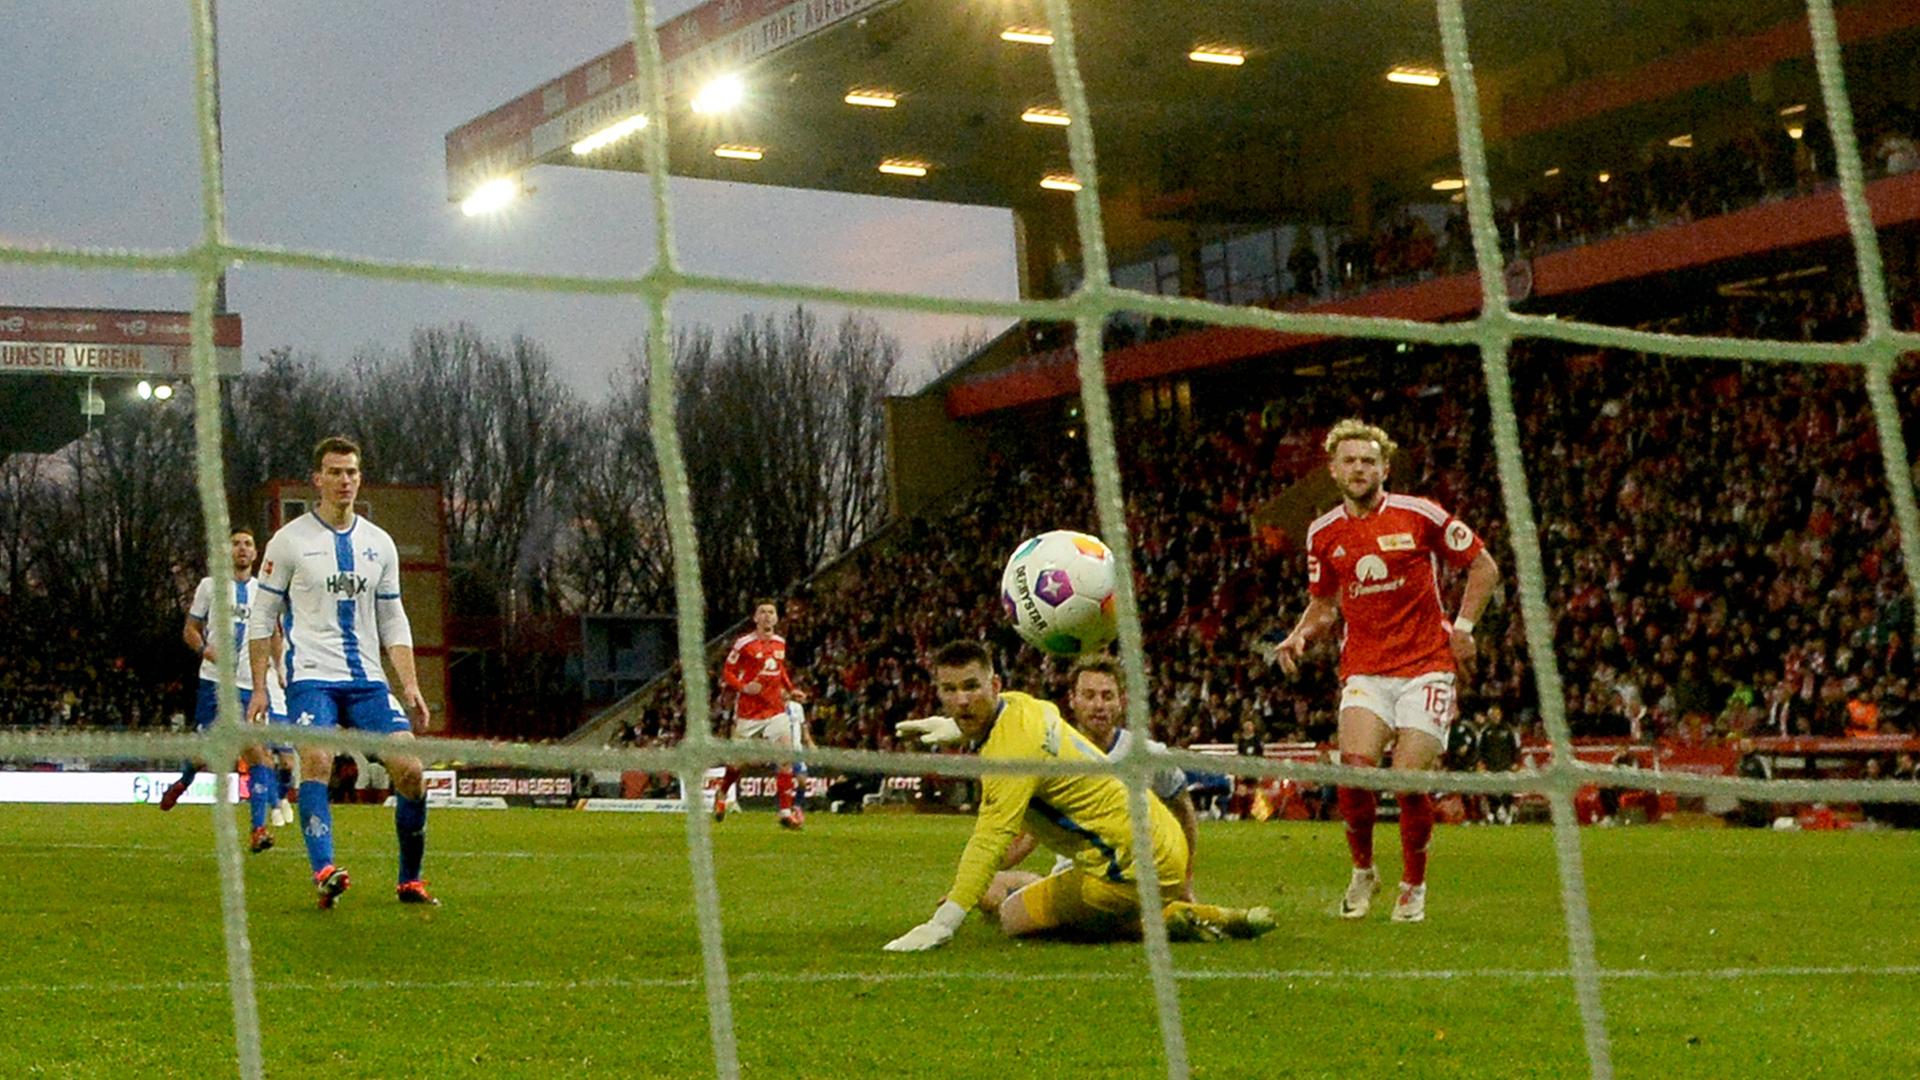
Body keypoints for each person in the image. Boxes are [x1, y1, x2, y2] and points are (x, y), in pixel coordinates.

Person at [882, 641, 1273, 951]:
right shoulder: (1024, 706)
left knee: (1013, 917)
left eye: (971, 687)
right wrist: (955, 728)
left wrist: (943, 922)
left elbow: (989, 839)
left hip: (1124, 867)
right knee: (1029, 891)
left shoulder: (1011, 756)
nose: (962, 701)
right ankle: (1183, 913)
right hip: (1159, 844)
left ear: (995, 686)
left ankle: (1177, 919)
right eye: (950, 690)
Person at [1273, 419, 1499, 924]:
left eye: (1368, 461)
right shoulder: (1323, 532)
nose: (1359, 469)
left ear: (1385, 468)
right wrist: (1300, 634)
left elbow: (1484, 566)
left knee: (1408, 781)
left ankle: (1413, 884)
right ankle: (1363, 871)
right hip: (1365, 669)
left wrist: (1463, 627)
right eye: (1350, 461)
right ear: (1333, 470)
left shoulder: (1420, 514)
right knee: (1354, 771)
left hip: (1427, 666)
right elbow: (1324, 605)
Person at [247, 436, 437, 909]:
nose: (345, 481)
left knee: (411, 771)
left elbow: (393, 619)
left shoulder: (380, 544)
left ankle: (409, 881)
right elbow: (261, 617)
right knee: (317, 760)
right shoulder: (289, 541)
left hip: (368, 681)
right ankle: (325, 870)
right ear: (318, 480)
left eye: (351, 472)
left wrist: (410, 683)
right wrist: (258, 689)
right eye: (335, 472)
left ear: (359, 478)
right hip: (311, 677)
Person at [986, 657, 1202, 905]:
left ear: (1122, 701)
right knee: (989, 892)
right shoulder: (1054, 755)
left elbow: (1183, 808)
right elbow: (1027, 837)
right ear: (1072, 700)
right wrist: (975, 880)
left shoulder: (1146, 754)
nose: (1098, 705)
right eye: (1088, 695)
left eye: (1107, 696)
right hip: (1072, 878)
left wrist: (1185, 880)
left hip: (1128, 880)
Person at [160, 526, 283, 855]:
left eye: (248, 544)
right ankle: (183, 782)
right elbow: (190, 628)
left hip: (249, 685)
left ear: (256, 554)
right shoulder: (209, 587)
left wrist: (279, 670)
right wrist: (204, 650)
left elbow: (273, 634)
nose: (242, 549)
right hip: (214, 682)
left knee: (259, 755)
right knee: (207, 753)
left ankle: (258, 829)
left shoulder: (265, 592)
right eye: (236, 544)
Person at [713, 599, 808, 829]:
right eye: (762, 612)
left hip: (775, 709)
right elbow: (728, 671)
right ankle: (722, 792)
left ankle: (784, 812)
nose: (767, 616)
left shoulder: (779, 643)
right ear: (755, 618)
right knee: (737, 763)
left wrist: (790, 688)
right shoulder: (743, 644)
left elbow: (780, 669)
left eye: (771, 612)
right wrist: (744, 687)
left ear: (776, 618)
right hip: (749, 712)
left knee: (785, 758)